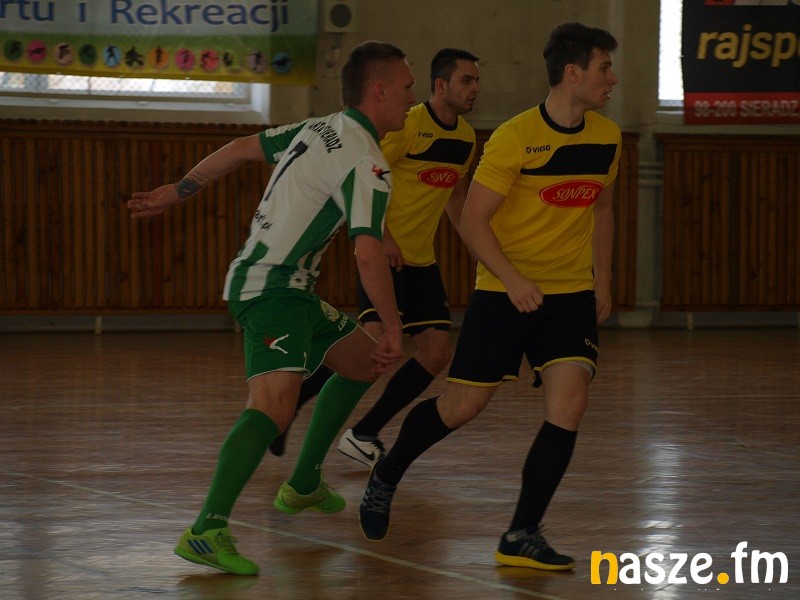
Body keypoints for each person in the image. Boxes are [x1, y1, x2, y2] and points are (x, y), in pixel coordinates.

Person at [127, 40, 415, 576]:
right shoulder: (368, 161)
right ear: (378, 91)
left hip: (291, 289)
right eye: (406, 88)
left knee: (364, 361)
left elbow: (240, 148)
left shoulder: (319, 128)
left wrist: (180, 189)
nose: (410, 99)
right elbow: (367, 253)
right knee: (272, 408)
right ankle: (206, 529)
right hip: (271, 289)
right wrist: (395, 324)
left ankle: (303, 483)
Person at [358, 22, 621, 572]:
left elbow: (601, 207)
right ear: (573, 73)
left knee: (570, 405)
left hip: (570, 295)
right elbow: (475, 222)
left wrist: (603, 277)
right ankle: (387, 472)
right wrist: (513, 279)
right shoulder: (513, 137)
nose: (612, 79)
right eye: (604, 68)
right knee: (462, 407)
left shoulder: (608, 137)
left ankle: (521, 533)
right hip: (505, 293)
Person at [268, 48, 481, 468]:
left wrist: (476, 246)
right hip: (385, 256)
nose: (475, 88)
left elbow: (456, 197)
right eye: (466, 80)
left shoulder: (466, 139)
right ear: (441, 85)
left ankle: (365, 432)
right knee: (369, 350)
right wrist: (383, 237)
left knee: (436, 352)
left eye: (476, 81)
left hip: (422, 261)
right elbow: (366, 178)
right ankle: (288, 407)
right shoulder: (408, 126)